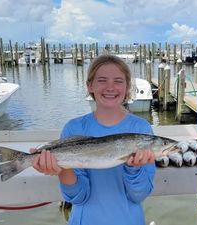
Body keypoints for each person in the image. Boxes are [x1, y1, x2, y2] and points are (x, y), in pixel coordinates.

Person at [32, 55, 156, 225]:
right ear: (89, 85)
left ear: (127, 86)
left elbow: (139, 195)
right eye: (102, 80)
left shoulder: (141, 129)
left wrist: (134, 169)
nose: (110, 87)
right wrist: (62, 170)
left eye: (118, 81)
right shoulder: (74, 128)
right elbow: (79, 197)